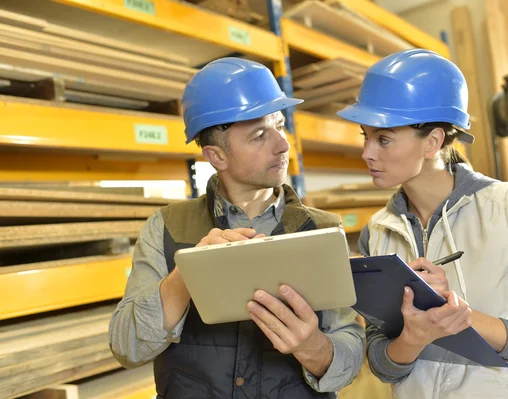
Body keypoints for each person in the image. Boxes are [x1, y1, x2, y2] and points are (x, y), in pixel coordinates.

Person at [109, 57, 364, 399]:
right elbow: (127, 347)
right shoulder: (166, 228)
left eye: (280, 124)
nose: (283, 144)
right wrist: (187, 274)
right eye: (260, 135)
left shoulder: (320, 230)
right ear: (217, 157)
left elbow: (351, 350)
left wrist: (313, 347)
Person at [337, 49, 508, 398]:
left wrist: (457, 316)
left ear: (433, 142)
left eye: (384, 139)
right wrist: (414, 337)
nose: (367, 153)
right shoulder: (377, 232)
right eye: (366, 135)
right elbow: (382, 364)